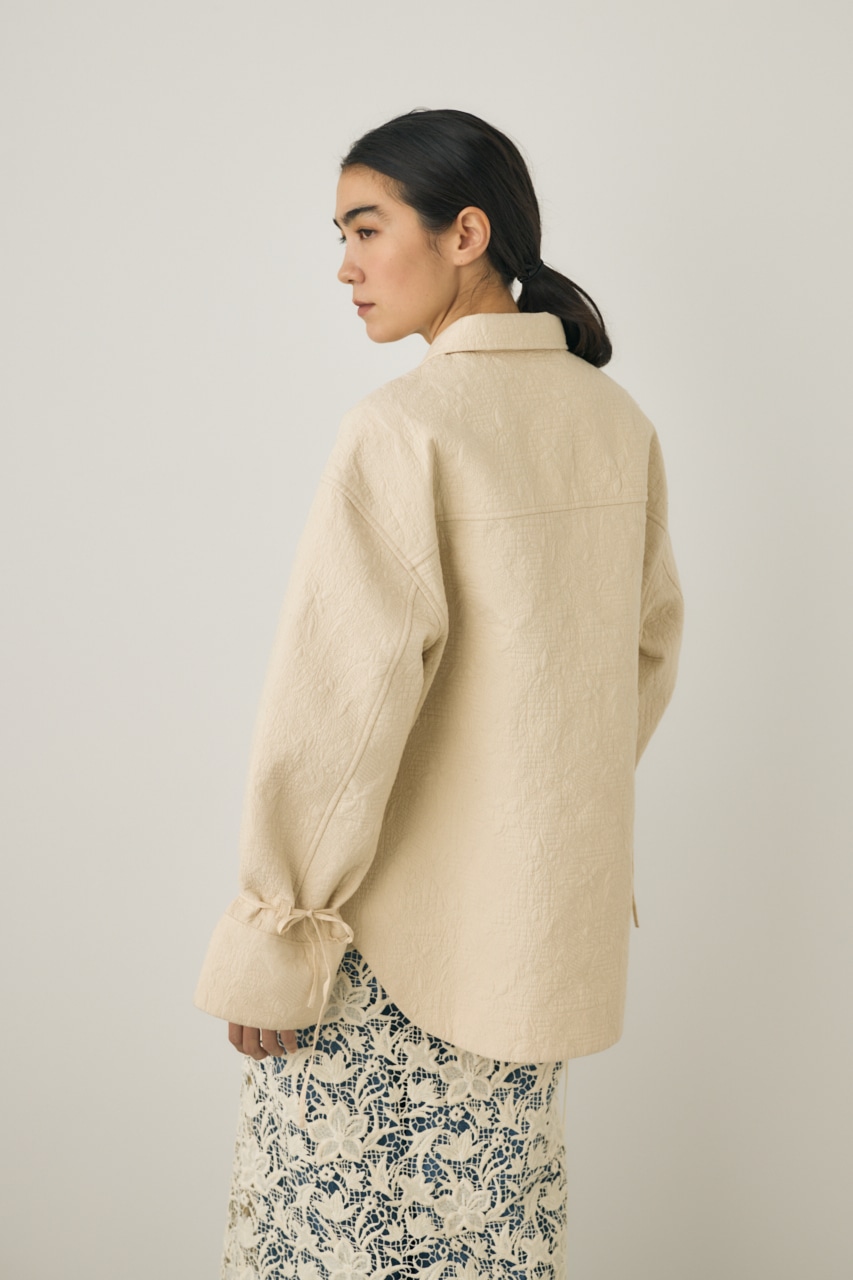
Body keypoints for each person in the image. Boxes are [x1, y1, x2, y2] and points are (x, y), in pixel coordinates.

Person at [194, 106, 684, 1279]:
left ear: (466, 234)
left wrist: (277, 926)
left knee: (333, 1248)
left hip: (383, 950)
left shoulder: (402, 429)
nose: (345, 265)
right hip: (531, 943)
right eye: (341, 235)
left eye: (367, 229)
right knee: (492, 1244)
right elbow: (646, 653)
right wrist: (537, 806)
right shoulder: (613, 422)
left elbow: (336, 710)